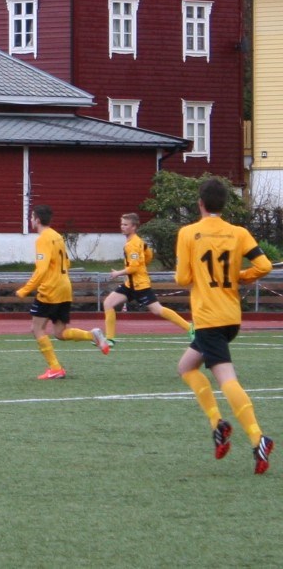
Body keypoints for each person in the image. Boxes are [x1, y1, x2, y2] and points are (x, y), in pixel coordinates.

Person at [175, 178, 273, 474]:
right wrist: (241, 276)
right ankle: (218, 424)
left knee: (226, 378)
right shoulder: (238, 233)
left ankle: (258, 437)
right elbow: (265, 266)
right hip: (231, 316)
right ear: (223, 205)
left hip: (208, 316)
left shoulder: (189, 233)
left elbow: (182, 279)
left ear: (200, 203)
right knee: (186, 367)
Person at [15, 205, 109, 380]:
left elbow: (41, 269)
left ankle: (55, 368)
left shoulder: (43, 239)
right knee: (59, 332)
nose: (30, 220)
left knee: (37, 329)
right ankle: (92, 335)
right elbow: (67, 263)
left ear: (36, 219)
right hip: (65, 287)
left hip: (50, 289)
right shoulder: (57, 236)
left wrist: (25, 289)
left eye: (32, 217)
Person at [102, 213, 191, 344]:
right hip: (130, 284)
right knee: (108, 303)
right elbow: (149, 254)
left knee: (157, 310)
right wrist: (142, 263)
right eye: (122, 224)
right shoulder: (139, 241)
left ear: (133, 227)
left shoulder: (132, 244)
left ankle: (190, 328)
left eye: (125, 225)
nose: (122, 227)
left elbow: (134, 268)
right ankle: (110, 339)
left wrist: (117, 273)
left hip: (140, 285)